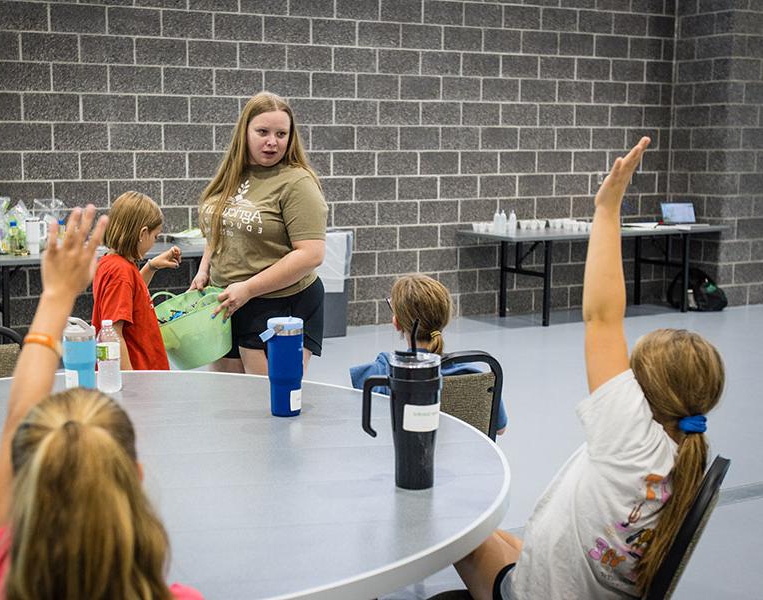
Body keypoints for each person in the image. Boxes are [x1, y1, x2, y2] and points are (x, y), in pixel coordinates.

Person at [453, 137, 725, 599]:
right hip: (583, 584)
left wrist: (607, 208)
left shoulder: (631, 438)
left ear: (642, 393)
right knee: (497, 536)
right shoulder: (684, 454)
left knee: (455, 526)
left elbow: (602, 316)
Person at [0, 205, 202, 600]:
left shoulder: (7, 573)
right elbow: (116, 324)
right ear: (136, 477)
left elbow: (16, 424)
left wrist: (56, 295)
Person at [189, 91, 329, 376]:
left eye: (281, 133)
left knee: (269, 403)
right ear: (245, 132)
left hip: (280, 302)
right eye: (263, 131)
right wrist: (204, 270)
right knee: (228, 397)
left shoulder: (297, 182)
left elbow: (311, 254)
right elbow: (220, 229)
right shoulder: (231, 175)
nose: (272, 142)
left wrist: (249, 289)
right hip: (228, 299)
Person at [349, 274, 508, 435]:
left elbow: (360, 425)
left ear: (397, 323)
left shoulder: (381, 371)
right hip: (461, 459)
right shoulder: (473, 374)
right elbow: (499, 429)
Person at [92, 191, 182, 371]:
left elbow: (130, 298)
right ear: (143, 233)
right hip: (137, 378)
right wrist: (129, 382)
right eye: (155, 237)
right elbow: (113, 335)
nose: (154, 243)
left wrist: (151, 267)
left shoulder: (112, 263)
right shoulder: (121, 273)